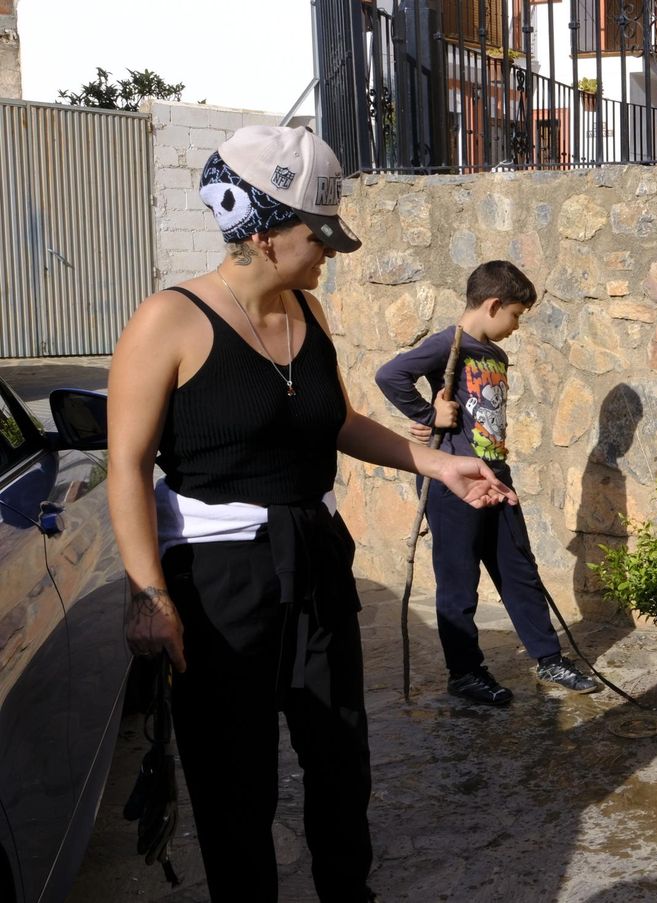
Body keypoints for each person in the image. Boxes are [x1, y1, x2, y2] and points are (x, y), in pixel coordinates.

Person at [107, 125, 515, 902]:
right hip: (220, 578)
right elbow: (124, 466)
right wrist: (149, 593)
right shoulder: (169, 321)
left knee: (339, 757)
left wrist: (436, 459)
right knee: (236, 780)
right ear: (262, 234)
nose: (329, 252)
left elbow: (333, 421)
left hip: (317, 556)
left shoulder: (308, 313)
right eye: (316, 234)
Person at [375, 260, 599, 705]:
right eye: (515, 315)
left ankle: (549, 658)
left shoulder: (493, 354)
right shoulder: (446, 344)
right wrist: (427, 415)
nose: (516, 325)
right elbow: (390, 375)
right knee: (458, 583)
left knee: (520, 570)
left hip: (496, 476)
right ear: (493, 304)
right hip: (454, 484)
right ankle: (465, 672)